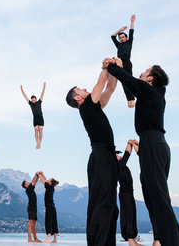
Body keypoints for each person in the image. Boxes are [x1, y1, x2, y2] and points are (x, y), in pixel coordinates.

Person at [106, 60, 179, 246]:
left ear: (150, 78)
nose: (142, 73)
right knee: (154, 198)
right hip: (151, 145)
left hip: (153, 144)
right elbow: (130, 79)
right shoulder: (153, 94)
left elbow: (129, 80)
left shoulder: (151, 92)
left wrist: (110, 67)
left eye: (145, 72)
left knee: (158, 199)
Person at [65, 60, 119, 245]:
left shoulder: (94, 105)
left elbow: (110, 88)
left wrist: (115, 69)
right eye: (80, 89)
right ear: (78, 98)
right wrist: (105, 66)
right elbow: (100, 83)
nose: (85, 88)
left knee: (110, 204)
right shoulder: (86, 106)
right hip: (100, 157)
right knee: (102, 202)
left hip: (108, 157)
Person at [118, 140, 142, 246]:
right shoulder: (118, 165)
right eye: (117, 155)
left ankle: (133, 240)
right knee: (128, 215)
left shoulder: (120, 165)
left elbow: (126, 155)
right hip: (125, 193)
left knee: (131, 214)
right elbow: (127, 154)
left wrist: (131, 144)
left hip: (128, 192)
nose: (119, 156)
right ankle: (131, 240)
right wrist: (129, 143)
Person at [111, 14, 136, 108]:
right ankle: (128, 99)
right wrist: (120, 30)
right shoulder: (119, 45)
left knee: (129, 80)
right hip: (119, 64)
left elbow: (131, 32)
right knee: (123, 82)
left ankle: (132, 99)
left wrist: (132, 22)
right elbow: (112, 37)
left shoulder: (129, 43)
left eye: (123, 37)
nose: (121, 39)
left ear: (126, 38)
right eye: (120, 37)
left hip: (127, 63)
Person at [21, 82, 47, 149]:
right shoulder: (31, 104)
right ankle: (37, 143)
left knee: (40, 130)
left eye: (34, 99)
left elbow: (42, 93)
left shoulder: (39, 102)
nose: (33, 101)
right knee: (36, 131)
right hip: (35, 118)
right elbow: (25, 97)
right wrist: (22, 90)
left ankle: (40, 143)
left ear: (36, 99)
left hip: (40, 117)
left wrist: (44, 87)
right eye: (32, 100)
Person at [37, 171, 59, 243]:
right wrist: (42, 173)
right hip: (52, 207)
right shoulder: (51, 187)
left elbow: (43, 180)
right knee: (54, 222)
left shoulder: (49, 188)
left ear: (50, 183)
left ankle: (48, 239)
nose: (47, 180)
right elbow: (45, 180)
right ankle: (55, 239)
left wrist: (39, 175)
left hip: (49, 207)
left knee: (48, 222)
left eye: (49, 180)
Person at [21, 172, 41, 243]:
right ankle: (29, 239)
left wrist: (38, 176)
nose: (28, 183)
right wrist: (36, 174)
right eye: (26, 183)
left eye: (27, 182)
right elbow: (33, 181)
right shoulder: (28, 189)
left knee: (34, 225)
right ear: (25, 186)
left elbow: (34, 182)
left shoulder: (31, 188)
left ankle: (35, 239)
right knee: (30, 223)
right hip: (31, 208)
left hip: (34, 208)